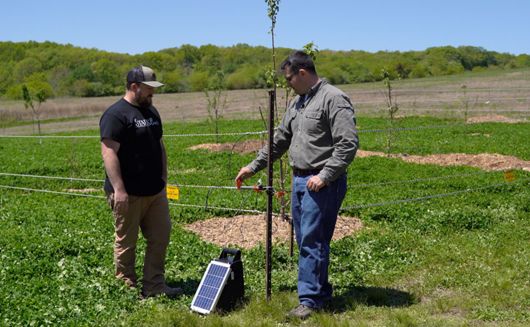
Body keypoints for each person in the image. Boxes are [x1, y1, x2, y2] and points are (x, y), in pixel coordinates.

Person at [235, 51, 359, 319]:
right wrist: (253, 166)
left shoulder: (333, 99)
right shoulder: (298, 103)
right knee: (306, 239)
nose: (287, 84)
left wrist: (325, 176)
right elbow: (280, 140)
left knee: (312, 241)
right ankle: (320, 293)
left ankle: (310, 301)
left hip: (322, 182)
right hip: (300, 179)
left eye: (289, 78)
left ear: (303, 73)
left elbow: (348, 144)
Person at [99, 65, 181, 299]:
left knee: (160, 237)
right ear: (134, 87)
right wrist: (119, 190)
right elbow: (109, 153)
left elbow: (160, 145)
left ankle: (154, 286)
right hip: (129, 193)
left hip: (155, 191)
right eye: (148, 89)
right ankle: (127, 289)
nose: (152, 93)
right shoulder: (116, 115)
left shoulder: (152, 112)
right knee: (127, 243)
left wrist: (164, 178)